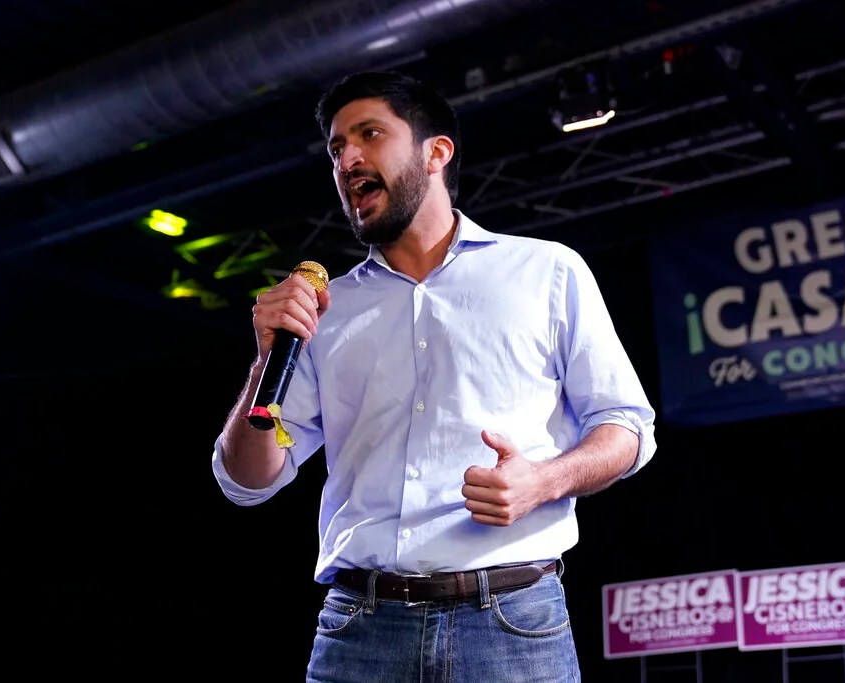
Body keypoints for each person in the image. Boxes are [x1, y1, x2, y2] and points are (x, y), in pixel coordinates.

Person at [211, 69, 657, 682]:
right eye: (338, 148)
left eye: (370, 134)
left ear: (436, 152)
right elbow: (248, 479)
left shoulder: (546, 272)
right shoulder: (325, 314)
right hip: (358, 632)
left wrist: (544, 481)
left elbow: (626, 425)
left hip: (511, 625)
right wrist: (267, 358)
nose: (349, 160)